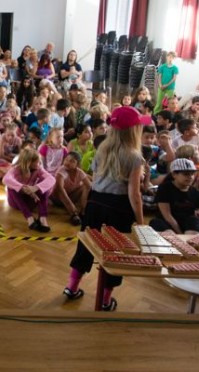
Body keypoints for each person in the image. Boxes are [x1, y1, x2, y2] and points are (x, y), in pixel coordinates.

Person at [64, 106, 151, 311]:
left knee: (85, 246)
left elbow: (95, 179)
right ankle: (104, 300)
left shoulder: (102, 149)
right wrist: (140, 223)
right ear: (133, 131)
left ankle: (71, 287)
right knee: (115, 254)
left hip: (95, 204)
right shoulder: (135, 157)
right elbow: (134, 194)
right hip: (119, 208)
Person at [3, 148, 56, 232]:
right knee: (11, 188)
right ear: (29, 162)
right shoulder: (16, 169)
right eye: (36, 162)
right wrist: (23, 188)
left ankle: (42, 218)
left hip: (31, 201)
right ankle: (29, 218)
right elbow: (5, 179)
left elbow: (52, 179)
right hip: (16, 202)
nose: (39, 164)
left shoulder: (38, 169)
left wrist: (36, 188)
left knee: (43, 187)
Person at [51, 152, 91, 225]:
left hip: (71, 196)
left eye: (72, 161)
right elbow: (60, 189)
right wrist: (71, 207)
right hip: (58, 199)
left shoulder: (79, 172)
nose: (67, 162)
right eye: (66, 159)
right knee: (59, 188)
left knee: (85, 186)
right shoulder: (61, 171)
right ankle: (73, 214)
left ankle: (83, 211)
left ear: (77, 164)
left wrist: (83, 206)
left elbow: (88, 186)